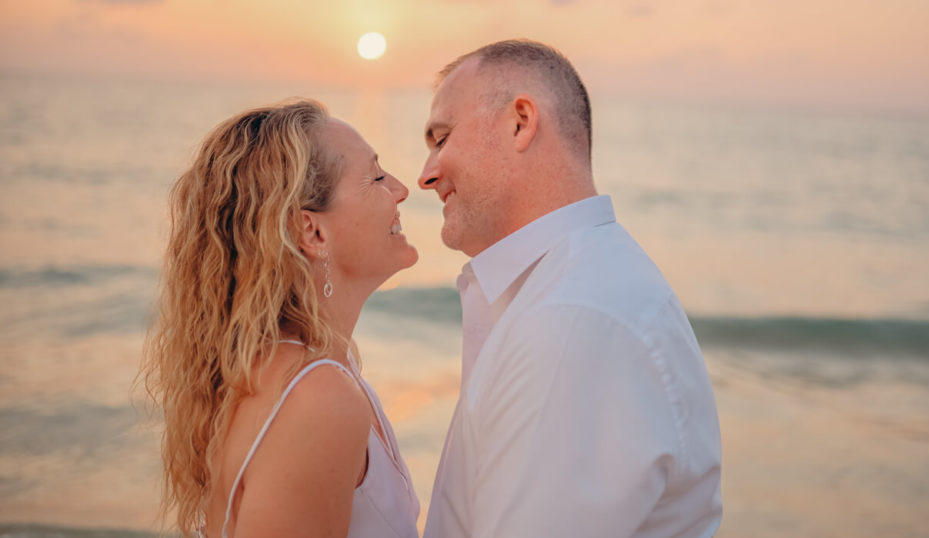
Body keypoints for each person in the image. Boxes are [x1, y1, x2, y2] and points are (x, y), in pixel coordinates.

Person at [418, 40, 723, 537]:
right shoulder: (567, 289)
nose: (427, 174)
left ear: (520, 122)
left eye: (442, 137)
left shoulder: (572, 317)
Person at [141, 99, 420, 538]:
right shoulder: (317, 395)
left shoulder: (287, 373)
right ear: (311, 231)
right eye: (376, 177)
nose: (402, 189)